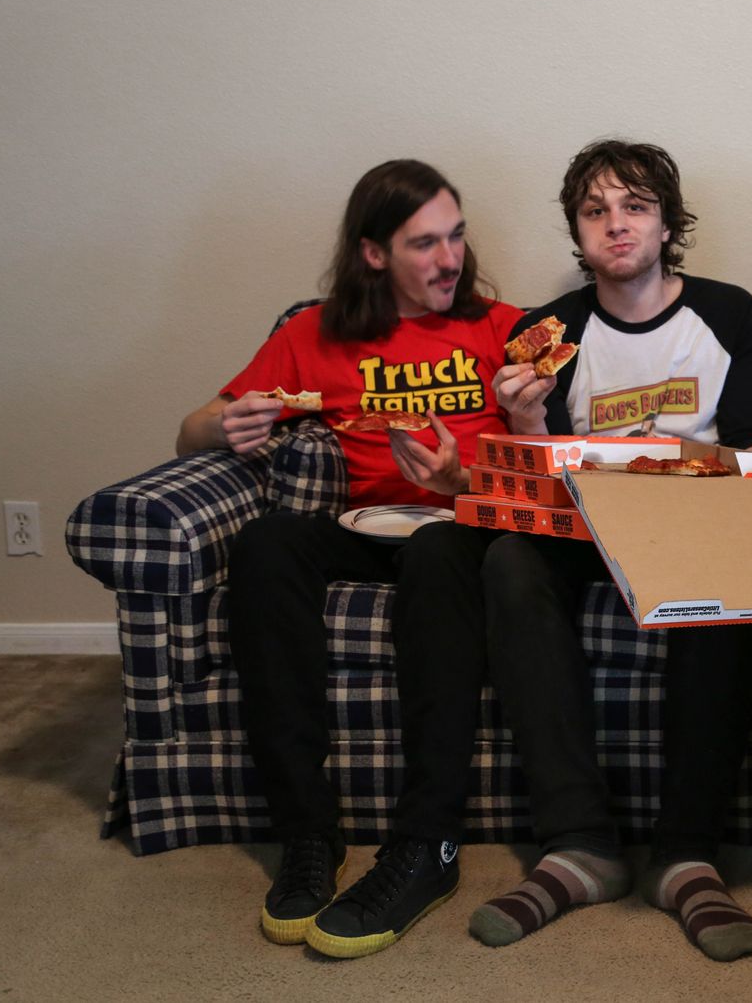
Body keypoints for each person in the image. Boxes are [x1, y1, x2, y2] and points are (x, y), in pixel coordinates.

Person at [316, 140, 752, 963]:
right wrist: (528, 421)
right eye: (595, 211)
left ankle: (687, 855)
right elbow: (540, 486)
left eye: (635, 206)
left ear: (667, 223)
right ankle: (580, 845)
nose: (616, 225)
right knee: (509, 560)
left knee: (727, 577)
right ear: (577, 231)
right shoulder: (547, 331)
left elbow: (750, 447)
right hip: (585, 523)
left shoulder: (728, 311)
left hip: (698, 518)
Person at [174, 159, 524, 951]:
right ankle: (307, 832)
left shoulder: (503, 329)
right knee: (267, 543)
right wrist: (222, 426)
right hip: (367, 526)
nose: (450, 260)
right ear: (373, 253)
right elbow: (192, 428)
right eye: (425, 243)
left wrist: (463, 476)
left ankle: (427, 845)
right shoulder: (314, 333)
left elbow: (554, 467)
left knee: (438, 548)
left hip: (466, 529)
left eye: (457, 236)